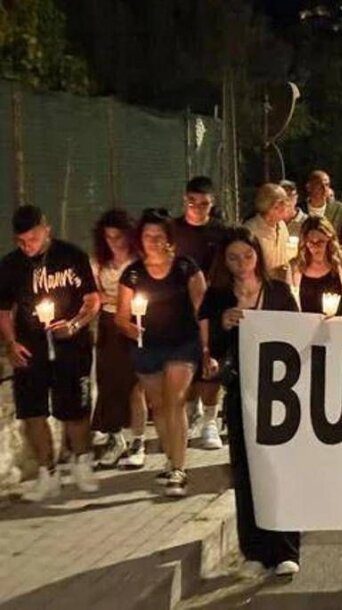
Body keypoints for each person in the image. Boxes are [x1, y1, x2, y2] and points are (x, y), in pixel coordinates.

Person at [198, 228, 301, 577]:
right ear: (224, 262)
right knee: (245, 471)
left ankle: (286, 549)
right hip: (241, 392)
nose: (242, 263)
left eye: (247, 255)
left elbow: (297, 334)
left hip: (280, 394)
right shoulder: (217, 297)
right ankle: (254, 552)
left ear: (258, 255)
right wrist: (223, 325)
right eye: (233, 258)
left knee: (280, 469)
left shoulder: (278, 292)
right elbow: (208, 349)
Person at [1, 205, 101, 500]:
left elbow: (93, 299)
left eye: (33, 239)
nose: (27, 246)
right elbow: (3, 310)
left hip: (71, 346)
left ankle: (82, 462)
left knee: (75, 409)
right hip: (30, 348)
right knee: (32, 411)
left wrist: (74, 324)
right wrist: (10, 343)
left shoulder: (72, 256)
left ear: (46, 230)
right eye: (21, 241)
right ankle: (48, 472)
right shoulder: (10, 265)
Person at [116, 209, 208, 498]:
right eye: (148, 236)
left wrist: (207, 347)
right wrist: (131, 328)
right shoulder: (132, 274)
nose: (153, 241)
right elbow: (121, 317)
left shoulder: (185, 267)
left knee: (175, 401)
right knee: (158, 406)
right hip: (147, 346)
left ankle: (179, 469)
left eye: (159, 236)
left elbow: (202, 308)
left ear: (169, 239)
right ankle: (170, 459)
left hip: (183, 343)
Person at [172, 176, 229, 451]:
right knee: (184, 361)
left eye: (204, 203)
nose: (197, 208)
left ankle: (210, 421)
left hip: (212, 305)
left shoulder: (221, 233)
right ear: (185, 200)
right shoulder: (172, 230)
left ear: (212, 202)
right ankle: (190, 410)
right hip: (178, 307)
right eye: (192, 202)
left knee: (211, 362)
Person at [89, 209, 147, 468]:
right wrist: (110, 299)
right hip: (109, 324)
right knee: (109, 383)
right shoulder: (100, 263)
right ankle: (116, 439)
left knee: (136, 385)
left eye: (119, 236)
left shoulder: (139, 262)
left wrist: (114, 299)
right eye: (109, 237)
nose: (114, 242)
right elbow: (95, 295)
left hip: (135, 323)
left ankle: (139, 441)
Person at [289, 217, 342, 315]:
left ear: (329, 240)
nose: (316, 246)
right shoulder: (295, 268)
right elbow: (291, 304)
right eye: (311, 242)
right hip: (306, 323)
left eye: (320, 242)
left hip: (339, 322)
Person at [245, 183, 291, 279]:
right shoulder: (250, 230)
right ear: (275, 206)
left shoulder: (282, 226)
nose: (287, 206)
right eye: (284, 203)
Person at [304, 170, 342, 246]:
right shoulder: (300, 210)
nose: (324, 189)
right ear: (309, 187)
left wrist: (333, 250)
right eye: (319, 185)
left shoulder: (340, 210)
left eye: (327, 185)